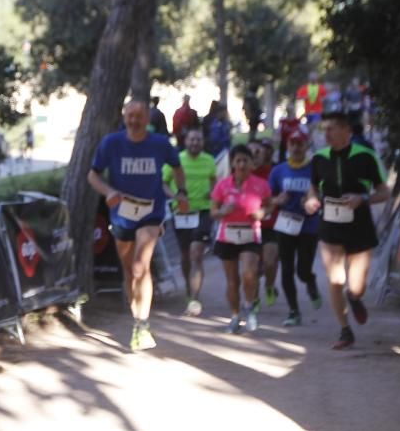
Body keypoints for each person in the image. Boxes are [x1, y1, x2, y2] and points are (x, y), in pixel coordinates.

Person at [88, 100, 187, 351]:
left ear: (147, 119)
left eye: (139, 116)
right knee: (129, 270)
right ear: (124, 117)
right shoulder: (111, 143)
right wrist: (108, 191)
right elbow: (92, 175)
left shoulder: (160, 144)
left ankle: (142, 324)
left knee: (140, 266)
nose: (134, 120)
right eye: (130, 116)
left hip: (151, 212)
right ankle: (137, 319)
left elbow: (177, 168)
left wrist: (182, 192)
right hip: (122, 214)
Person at [303, 111, 390, 350]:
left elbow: (384, 192)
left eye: (331, 128)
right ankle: (345, 330)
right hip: (330, 222)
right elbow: (312, 189)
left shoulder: (365, 157)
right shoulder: (319, 158)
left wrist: (362, 198)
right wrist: (311, 200)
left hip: (359, 223)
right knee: (334, 278)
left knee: (356, 285)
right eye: (324, 129)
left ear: (346, 131)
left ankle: (354, 297)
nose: (326, 134)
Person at [210, 145, 271, 334]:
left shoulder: (261, 184)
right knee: (232, 281)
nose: (242, 164)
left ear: (252, 163)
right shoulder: (222, 185)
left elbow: (269, 206)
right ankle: (235, 316)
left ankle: (250, 308)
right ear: (233, 163)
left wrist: (262, 212)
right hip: (227, 235)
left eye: (246, 160)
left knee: (248, 273)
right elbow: (213, 212)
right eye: (238, 160)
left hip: (250, 234)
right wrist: (222, 211)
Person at [268, 133, 322, 326]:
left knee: (302, 270)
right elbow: (268, 200)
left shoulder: (315, 169)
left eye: (300, 144)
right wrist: (277, 200)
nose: (296, 148)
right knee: (287, 270)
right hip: (285, 225)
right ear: (288, 146)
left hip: (308, 226)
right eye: (292, 144)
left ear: (307, 145)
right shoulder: (278, 171)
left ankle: (310, 281)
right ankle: (293, 311)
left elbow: (323, 196)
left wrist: (313, 201)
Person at [162, 128, 216, 316]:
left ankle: (194, 297)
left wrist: (213, 193)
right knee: (185, 255)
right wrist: (175, 196)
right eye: (192, 139)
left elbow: (214, 181)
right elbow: (163, 182)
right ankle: (188, 286)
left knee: (197, 253)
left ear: (203, 142)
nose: (195, 143)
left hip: (203, 211)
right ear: (186, 141)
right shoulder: (176, 160)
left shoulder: (209, 160)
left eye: (198, 140)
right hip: (182, 211)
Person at [248, 139, 280, 307]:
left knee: (269, 262)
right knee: (252, 267)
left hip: (271, 225)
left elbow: (281, 195)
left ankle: (269, 284)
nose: (254, 156)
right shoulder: (241, 175)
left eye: (257, 152)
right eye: (250, 153)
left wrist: (271, 203)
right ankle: (254, 300)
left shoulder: (274, 172)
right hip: (249, 227)